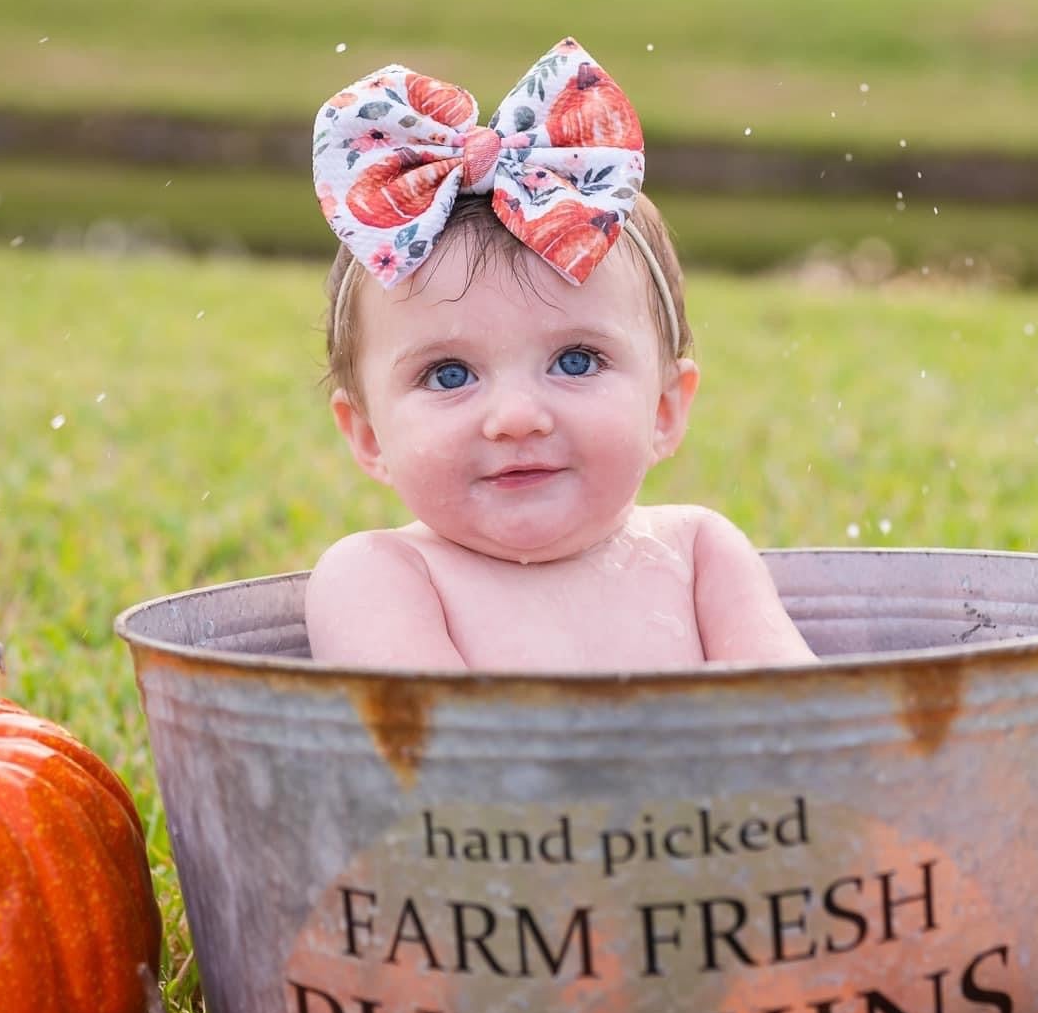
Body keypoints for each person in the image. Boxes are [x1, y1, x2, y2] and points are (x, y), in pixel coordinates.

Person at [305, 37, 814, 673]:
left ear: (664, 410)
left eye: (576, 361)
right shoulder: (382, 577)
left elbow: (803, 727)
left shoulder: (700, 557)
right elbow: (439, 758)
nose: (517, 417)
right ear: (369, 435)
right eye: (450, 374)